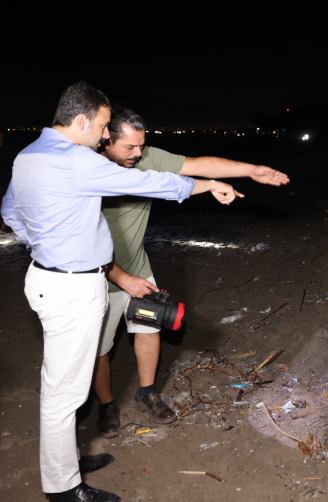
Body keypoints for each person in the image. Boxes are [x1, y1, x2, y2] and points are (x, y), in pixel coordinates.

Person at [0, 82, 241, 502]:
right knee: (64, 394)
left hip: (50, 278)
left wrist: (46, 244)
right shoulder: (75, 159)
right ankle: (63, 490)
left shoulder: (27, 156)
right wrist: (207, 185)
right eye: (104, 125)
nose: (106, 136)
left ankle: (66, 463)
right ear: (81, 120)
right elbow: (150, 183)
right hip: (71, 287)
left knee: (67, 387)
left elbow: (9, 211)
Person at [92, 106, 289, 437]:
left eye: (142, 145)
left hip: (138, 267)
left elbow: (199, 164)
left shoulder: (142, 157)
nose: (139, 154)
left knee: (148, 330)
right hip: (97, 275)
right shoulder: (86, 171)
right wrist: (120, 278)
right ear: (104, 140)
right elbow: (79, 244)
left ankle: (146, 393)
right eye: (130, 147)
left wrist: (251, 169)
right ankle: (107, 404)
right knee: (97, 348)